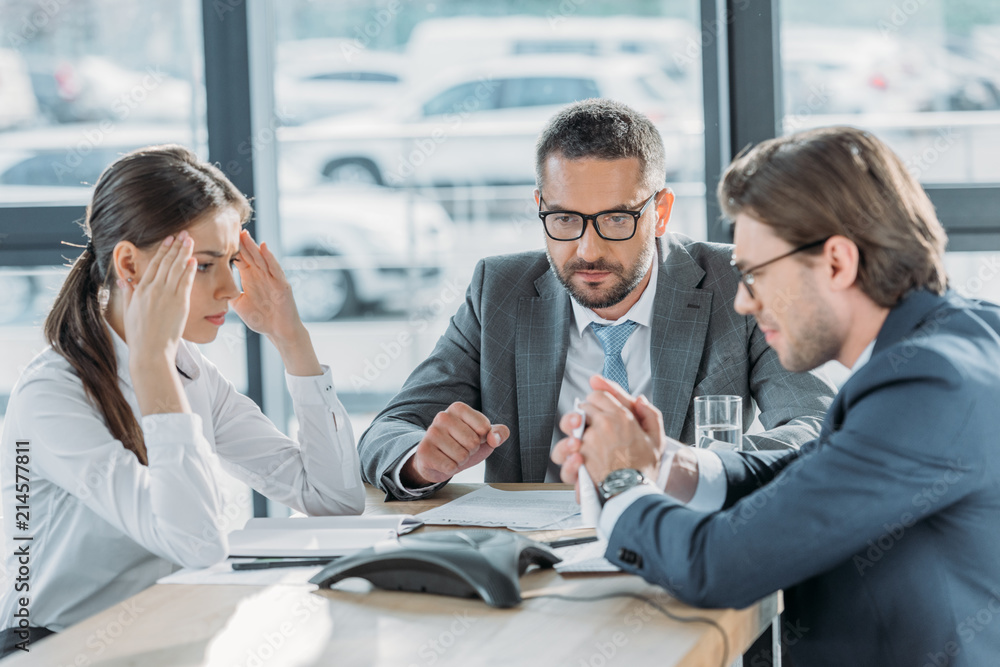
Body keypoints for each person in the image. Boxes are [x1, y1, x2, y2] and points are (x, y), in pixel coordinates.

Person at [553, 126, 1000, 666]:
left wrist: (620, 479)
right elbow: (821, 473)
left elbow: (718, 566)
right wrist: (671, 463)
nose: (743, 301)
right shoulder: (958, 338)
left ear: (837, 262)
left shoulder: (928, 385)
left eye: (755, 274)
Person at [359, 99, 836, 500]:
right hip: (535, 571)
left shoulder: (733, 283)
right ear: (540, 206)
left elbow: (818, 429)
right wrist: (420, 461)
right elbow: (387, 431)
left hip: (680, 550)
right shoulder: (499, 289)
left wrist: (681, 466)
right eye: (565, 219)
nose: (588, 250)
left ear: (661, 212)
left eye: (615, 219)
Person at [0, 145, 364, 653]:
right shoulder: (52, 395)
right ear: (129, 264)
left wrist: (291, 337)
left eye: (232, 263)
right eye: (205, 265)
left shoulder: (189, 369)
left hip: (165, 633)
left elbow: (335, 499)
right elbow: (197, 546)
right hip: (59, 647)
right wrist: (151, 364)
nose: (230, 289)